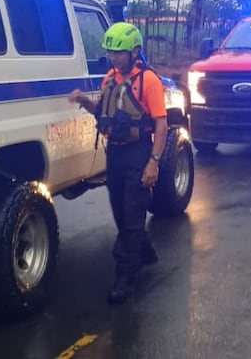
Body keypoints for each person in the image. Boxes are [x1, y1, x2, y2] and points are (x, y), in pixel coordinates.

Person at [67, 22, 168, 304]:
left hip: (138, 153)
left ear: (135, 52)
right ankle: (144, 251)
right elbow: (103, 111)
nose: (113, 58)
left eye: (119, 53)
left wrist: (153, 163)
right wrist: (83, 101)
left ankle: (125, 277)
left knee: (132, 215)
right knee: (121, 213)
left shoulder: (149, 81)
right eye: (110, 52)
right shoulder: (110, 78)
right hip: (115, 153)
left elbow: (161, 125)